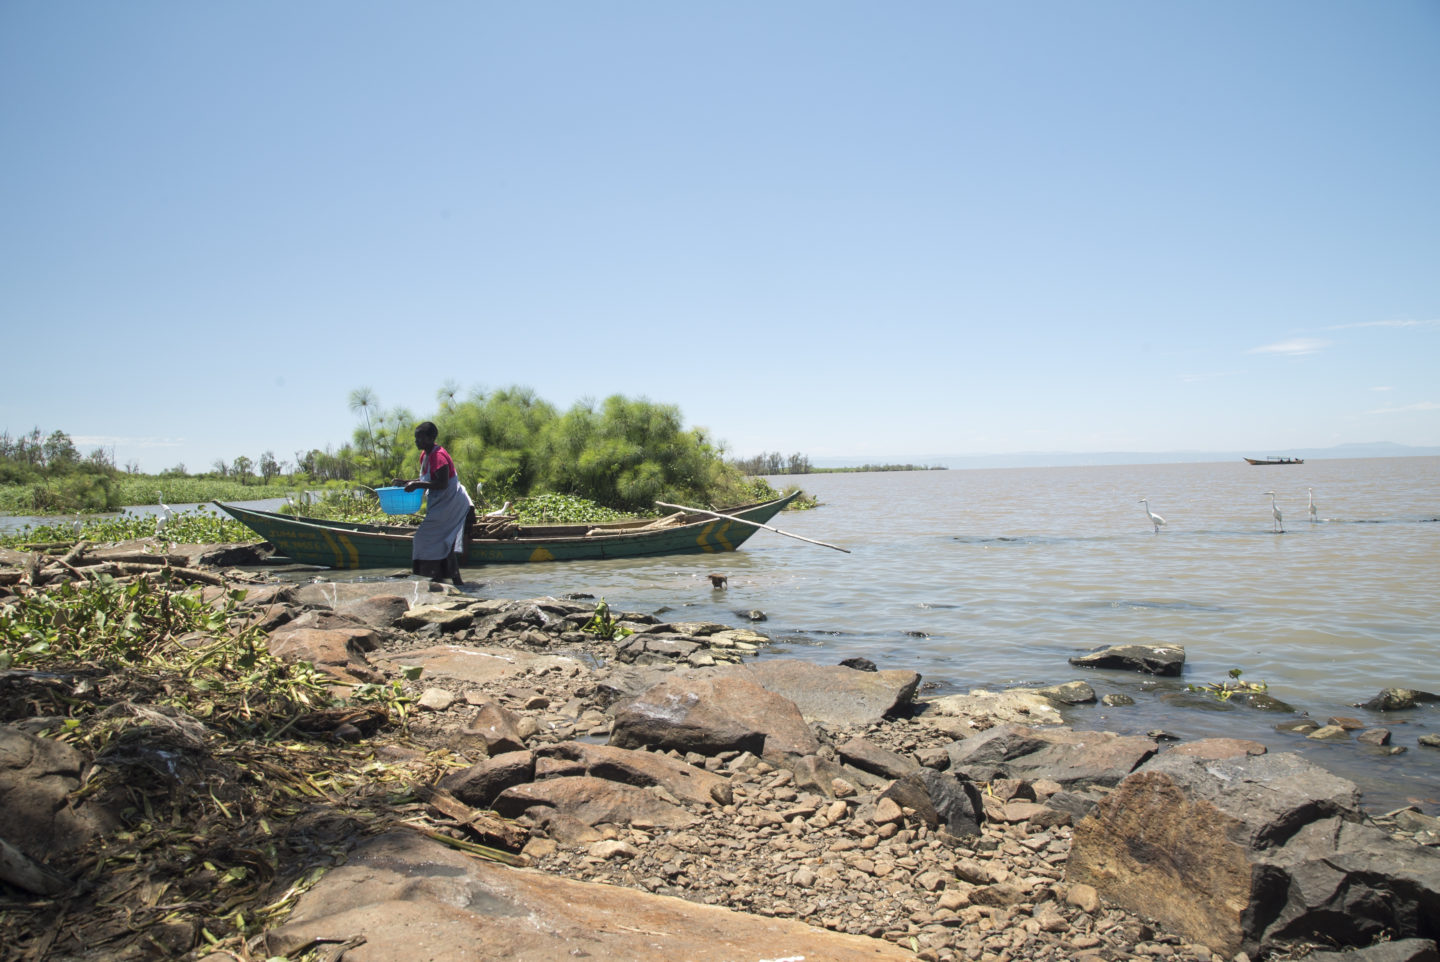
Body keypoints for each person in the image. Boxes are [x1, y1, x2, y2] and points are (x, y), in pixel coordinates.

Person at [392, 422, 474, 586]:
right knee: (444, 543)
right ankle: (451, 581)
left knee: (425, 538)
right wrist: (406, 482)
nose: (416, 441)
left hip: (452, 504)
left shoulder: (438, 456)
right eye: (416, 438)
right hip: (443, 504)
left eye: (420, 438)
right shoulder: (426, 455)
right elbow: (428, 479)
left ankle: (440, 577)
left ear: (431, 438)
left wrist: (416, 485)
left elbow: (442, 483)